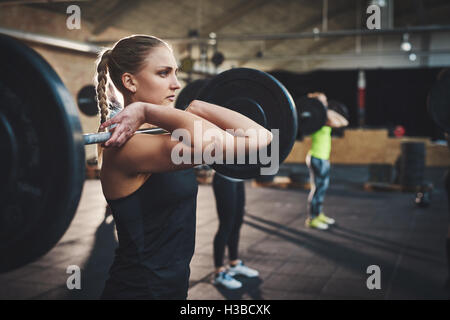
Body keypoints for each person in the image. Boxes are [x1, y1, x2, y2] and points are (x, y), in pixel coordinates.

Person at [95, 35, 273, 299]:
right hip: (139, 292)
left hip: (171, 289)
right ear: (130, 82)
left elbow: (262, 136)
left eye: (175, 73)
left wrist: (199, 107)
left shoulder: (160, 138)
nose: (176, 84)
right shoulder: (128, 148)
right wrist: (146, 111)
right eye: (163, 73)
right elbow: (252, 139)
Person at [305, 92, 348, 231]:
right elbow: (337, 122)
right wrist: (324, 110)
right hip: (317, 157)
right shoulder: (318, 119)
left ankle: (318, 214)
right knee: (317, 189)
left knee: (321, 189)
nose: (326, 104)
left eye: (326, 101)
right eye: (322, 102)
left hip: (323, 157)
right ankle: (312, 218)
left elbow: (344, 122)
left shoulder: (323, 116)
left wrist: (325, 108)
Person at [211, 172, 259, 289]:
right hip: (223, 178)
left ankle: (234, 263)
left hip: (238, 177)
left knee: (237, 222)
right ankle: (219, 272)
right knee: (226, 225)